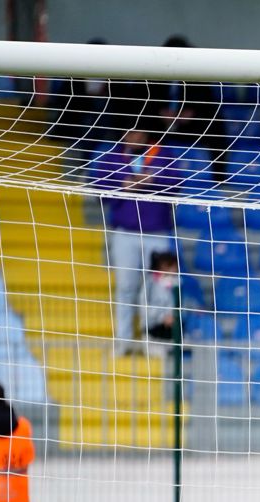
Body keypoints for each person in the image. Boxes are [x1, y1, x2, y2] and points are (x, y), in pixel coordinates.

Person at [91, 125, 179, 357]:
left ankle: (156, 339)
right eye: (129, 132)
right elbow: (99, 189)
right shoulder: (113, 156)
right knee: (125, 288)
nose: (134, 137)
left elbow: (177, 185)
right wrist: (123, 185)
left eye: (139, 133)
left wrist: (154, 180)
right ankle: (124, 340)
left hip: (157, 232)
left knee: (160, 289)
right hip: (124, 233)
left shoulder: (162, 154)